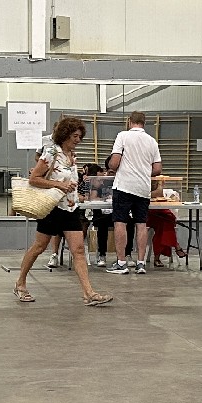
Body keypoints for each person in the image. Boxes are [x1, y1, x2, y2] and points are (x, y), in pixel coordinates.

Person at [12, 116, 111, 307]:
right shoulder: (51, 152)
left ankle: (89, 293)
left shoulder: (72, 156)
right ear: (65, 135)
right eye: (75, 136)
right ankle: (20, 283)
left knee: (78, 250)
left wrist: (75, 191)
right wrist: (59, 185)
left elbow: (69, 181)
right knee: (39, 247)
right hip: (52, 208)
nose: (78, 140)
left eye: (80, 136)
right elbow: (34, 179)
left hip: (70, 208)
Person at [105, 110, 162, 275]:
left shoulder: (122, 136)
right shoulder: (152, 141)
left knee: (120, 222)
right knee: (141, 224)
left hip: (124, 185)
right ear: (144, 123)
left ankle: (121, 263)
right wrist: (143, 171)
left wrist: (114, 167)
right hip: (143, 188)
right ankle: (141, 263)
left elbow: (114, 163)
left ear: (129, 121)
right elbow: (157, 169)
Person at [80, 162, 113, 266]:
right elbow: (89, 198)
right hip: (95, 214)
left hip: (112, 213)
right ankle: (101, 254)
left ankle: (126, 255)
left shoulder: (109, 184)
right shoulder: (87, 184)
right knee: (102, 223)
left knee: (128, 222)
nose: (101, 180)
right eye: (98, 179)